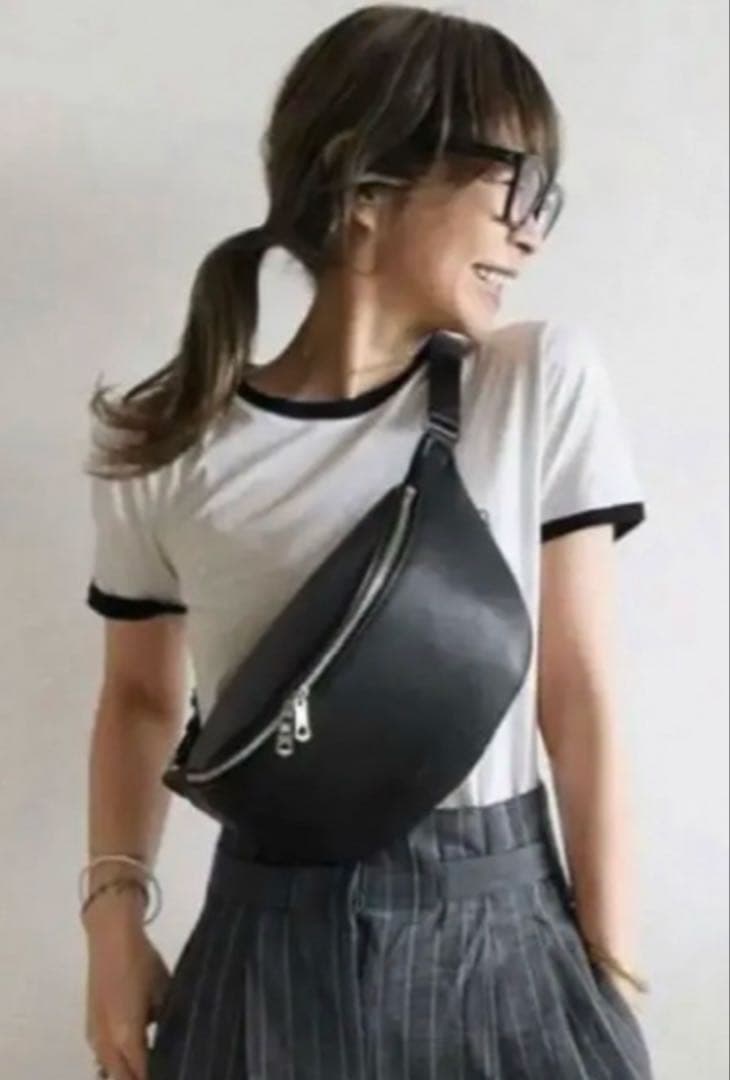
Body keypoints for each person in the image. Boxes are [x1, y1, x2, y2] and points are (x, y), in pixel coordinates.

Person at [79, 5, 655, 1078]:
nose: (532, 232)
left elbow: (577, 697)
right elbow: (140, 701)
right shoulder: (166, 446)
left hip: (509, 944)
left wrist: (609, 981)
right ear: (366, 184)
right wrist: (112, 926)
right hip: (265, 953)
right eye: (517, 185)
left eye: (546, 200)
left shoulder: (535, 384)